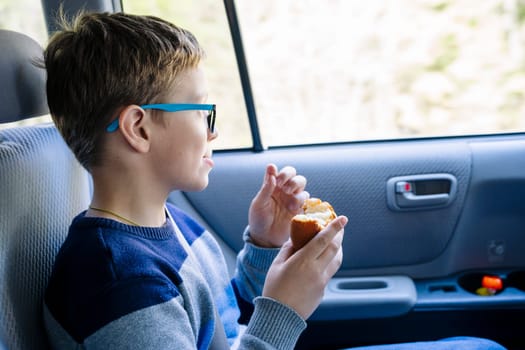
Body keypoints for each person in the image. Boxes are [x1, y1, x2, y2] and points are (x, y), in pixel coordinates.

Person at [42, 11, 347, 349]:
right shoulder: (120, 285)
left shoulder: (172, 225)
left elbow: (223, 322)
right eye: (202, 112)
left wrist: (264, 245)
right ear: (138, 128)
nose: (213, 132)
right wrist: (283, 311)